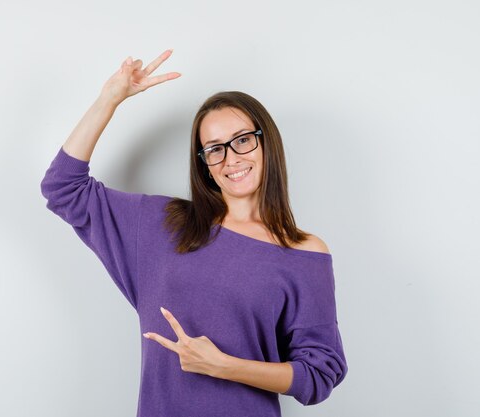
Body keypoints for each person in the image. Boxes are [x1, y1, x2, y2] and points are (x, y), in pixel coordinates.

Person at [40, 49, 348, 417]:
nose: (231, 158)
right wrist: (109, 99)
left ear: (266, 142)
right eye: (214, 149)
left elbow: (319, 375)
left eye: (243, 140)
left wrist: (224, 366)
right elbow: (62, 187)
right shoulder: (162, 225)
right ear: (204, 165)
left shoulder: (304, 253)